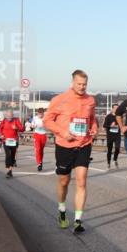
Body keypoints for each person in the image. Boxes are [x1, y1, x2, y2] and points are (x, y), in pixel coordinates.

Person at [44, 70, 98, 233]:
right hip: (64, 145)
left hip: (84, 144)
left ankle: (78, 220)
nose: (82, 87)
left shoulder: (90, 100)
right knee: (64, 181)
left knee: (81, 181)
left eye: (84, 84)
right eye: (79, 84)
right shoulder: (59, 99)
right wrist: (63, 133)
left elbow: (92, 119)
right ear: (72, 83)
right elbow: (47, 120)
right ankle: (61, 210)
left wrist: (94, 128)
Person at [0, 110, 24, 178]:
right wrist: (1, 135)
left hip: (14, 141)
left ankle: (10, 170)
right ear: (6, 116)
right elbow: (0, 128)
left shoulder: (16, 120)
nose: (9, 117)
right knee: (8, 154)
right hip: (6, 140)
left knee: (12, 155)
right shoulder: (4, 120)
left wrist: (16, 128)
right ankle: (8, 170)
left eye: (11, 115)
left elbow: (22, 129)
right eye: (8, 116)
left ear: (13, 115)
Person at [31, 107, 49, 172]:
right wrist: (34, 126)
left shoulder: (46, 118)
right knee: (38, 149)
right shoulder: (34, 118)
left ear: (43, 113)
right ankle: (39, 164)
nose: (40, 115)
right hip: (37, 134)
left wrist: (45, 126)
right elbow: (32, 125)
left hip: (43, 135)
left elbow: (48, 127)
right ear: (37, 113)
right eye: (39, 114)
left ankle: (41, 162)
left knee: (41, 150)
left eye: (41, 114)